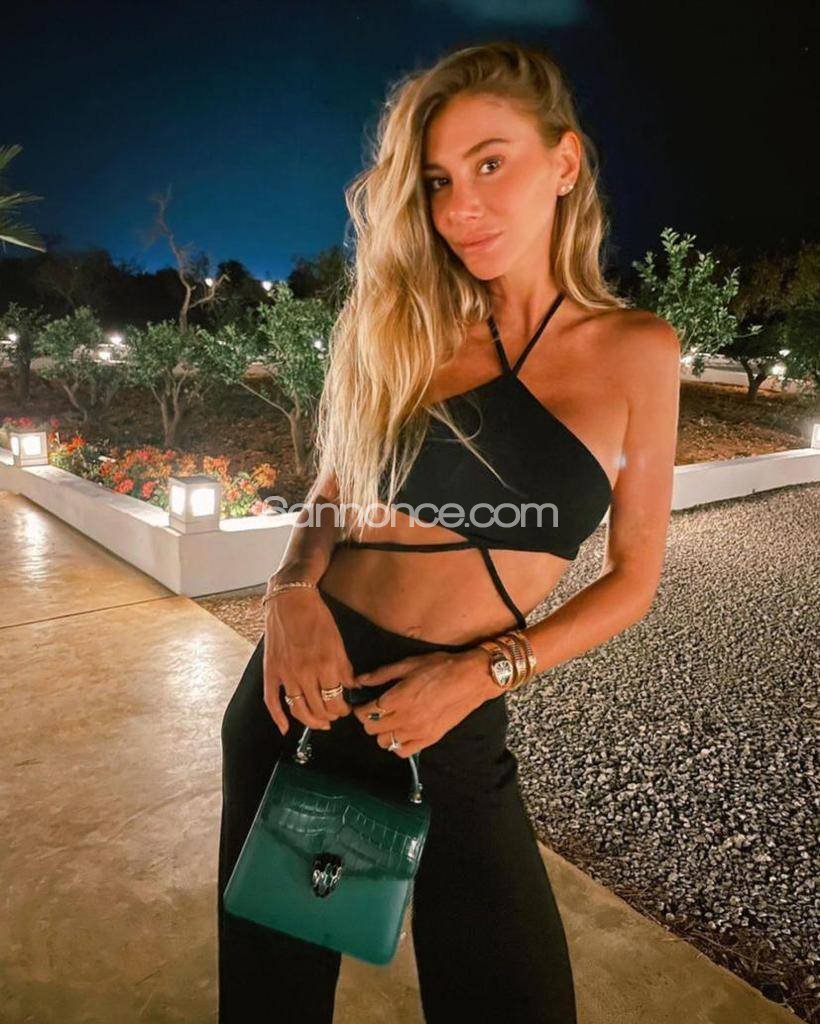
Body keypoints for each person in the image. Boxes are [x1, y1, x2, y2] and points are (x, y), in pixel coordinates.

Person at [218, 39, 681, 1024]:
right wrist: (288, 591)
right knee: (273, 996)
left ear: (564, 162)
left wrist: (483, 672)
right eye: (437, 180)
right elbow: (332, 498)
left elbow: (634, 577)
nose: (461, 205)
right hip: (301, 693)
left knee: (512, 993)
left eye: (490, 162)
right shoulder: (404, 324)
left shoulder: (637, 349)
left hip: (453, 711)